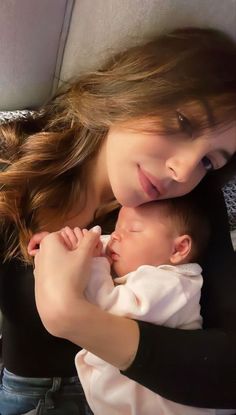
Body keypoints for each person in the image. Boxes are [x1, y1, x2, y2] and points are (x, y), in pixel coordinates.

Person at [0, 27, 235, 414]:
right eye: (183, 123)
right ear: (136, 88)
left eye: (210, 161)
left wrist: (72, 316)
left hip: (136, 395)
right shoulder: (16, 168)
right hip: (26, 392)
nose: (183, 170)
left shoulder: (189, 205)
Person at [29, 194, 216, 415]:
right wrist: (61, 242)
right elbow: (104, 242)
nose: (117, 236)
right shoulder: (143, 264)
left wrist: (96, 263)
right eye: (118, 227)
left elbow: (110, 312)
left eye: (134, 230)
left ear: (178, 249)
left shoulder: (173, 283)